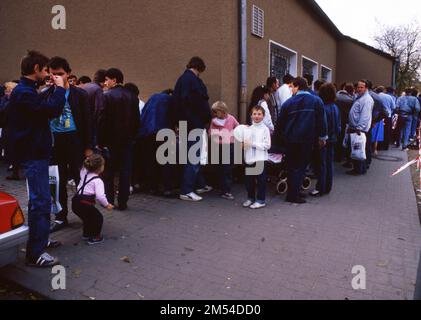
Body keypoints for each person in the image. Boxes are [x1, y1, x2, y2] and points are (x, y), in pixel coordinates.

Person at [7, 50, 66, 267]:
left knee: (40, 200)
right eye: (45, 70)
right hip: (34, 155)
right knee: (40, 202)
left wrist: (50, 88)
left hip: (36, 153)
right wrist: (59, 89)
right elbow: (49, 110)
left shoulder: (26, 91)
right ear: (36, 70)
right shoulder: (24, 92)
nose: (48, 74)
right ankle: (35, 253)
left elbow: (38, 106)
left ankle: (41, 239)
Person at [47, 57, 93, 233]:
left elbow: (88, 121)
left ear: (68, 74)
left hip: (75, 140)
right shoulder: (47, 93)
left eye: (60, 74)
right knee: (57, 181)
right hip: (56, 141)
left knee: (81, 179)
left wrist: (88, 145)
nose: (56, 77)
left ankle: (86, 213)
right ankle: (60, 216)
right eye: (53, 74)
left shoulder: (80, 94)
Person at [275, 77, 327, 204]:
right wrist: (322, 137)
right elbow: (322, 121)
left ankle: (294, 192)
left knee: (293, 166)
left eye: (292, 87)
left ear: (297, 87)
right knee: (301, 167)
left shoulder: (288, 103)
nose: (291, 89)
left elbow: (280, 124)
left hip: (291, 140)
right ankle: (294, 194)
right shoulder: (316, 101)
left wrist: (279, 140)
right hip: (307, 140)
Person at [97, 68, 141, 210]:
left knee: (108, 171)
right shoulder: (132, 96)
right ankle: (123, 201)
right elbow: (136, 120)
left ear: (114, 80)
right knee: (125, 171)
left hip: (110, 141)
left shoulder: (107, 96)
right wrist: (133, 137)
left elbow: (102, 121)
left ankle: (109, 200)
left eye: (107, 79)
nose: (105, 83)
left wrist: (100, 141)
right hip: (127, 141)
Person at [173, 57, 213, 202]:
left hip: (183, 124)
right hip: (193, 124)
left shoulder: (181, 80)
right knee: (193, 158)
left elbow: (177, 103)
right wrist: (205, 119)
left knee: (189, 156)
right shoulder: (194, 81)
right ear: (199, 68)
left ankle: (198, 184)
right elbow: (199, 103)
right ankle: (187, 190)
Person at [137, 88, 175, 195]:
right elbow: (174, 116)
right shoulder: (170, 100)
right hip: (165, 132)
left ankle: (152, 187)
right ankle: (167, 188)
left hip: (148, 133)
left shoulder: (152, 98)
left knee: (151, 161)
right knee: (166, 161)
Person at [72, 154, 114, 245]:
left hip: (75, 202)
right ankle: (95, 237)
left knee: (87, 218)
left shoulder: (83, 172)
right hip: (85, 203)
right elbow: (100, 196)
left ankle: (86, 234)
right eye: (103, 165)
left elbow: (84, 165)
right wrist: (107, 204)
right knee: (98, 218)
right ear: (100, 168)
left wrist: (88, 158)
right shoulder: (98, 181)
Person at [311, 83, 340, 197]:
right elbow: (338, 125)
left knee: (321, 164)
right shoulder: (335, 107)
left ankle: (320, 188)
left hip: (323, 140)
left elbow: (322, 126)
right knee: (329, 163)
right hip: (333, 139)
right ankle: (327, 186)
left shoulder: (323, 107)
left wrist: (320, 138)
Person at [242, 105, 271, 209]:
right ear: (251, 115)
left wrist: (253, 143)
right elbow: (245, 144)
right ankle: (250, 198)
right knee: (249, 181)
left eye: (259, 114)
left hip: (260, 159)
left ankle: (261, 200)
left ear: (263, 116)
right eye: (254, 114)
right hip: (249, 159)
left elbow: (267, 145)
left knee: (261, 181)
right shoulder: (248, 129)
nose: (257, 116)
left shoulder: (265, 129)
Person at [209, 101, 239, 200]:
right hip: (217, 146)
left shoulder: (231, 118)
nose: (214, 113)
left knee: (227, 169)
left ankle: (226, 191)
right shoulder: (214, 121)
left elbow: (238, 127)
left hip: (228, 146)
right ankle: (221, 187)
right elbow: (210, 134)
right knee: (219, 167)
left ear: (222, 111)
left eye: (215, 111)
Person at [346, 80, 374, 176]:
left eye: (361, 87)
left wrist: (360, 128)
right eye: (358, 87)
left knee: (359, 149)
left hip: (359, 129)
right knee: (357, 149)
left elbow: (365, 116)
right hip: (355, 127)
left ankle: (359, 170)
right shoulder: (360, 97)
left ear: (366, 88)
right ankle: (358, 168)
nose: (359, 89)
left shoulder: (366, 99)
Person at [79, 69, 106, 147]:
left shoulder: (85, 86)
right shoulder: (98, 89)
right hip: (91, 127)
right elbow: (99, 110)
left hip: (80, 124)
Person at [335, 83, 354, 164]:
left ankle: (336, 156)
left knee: (336, 138)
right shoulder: (351, 100)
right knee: (343, 139)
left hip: (336, 119)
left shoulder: (335, 96)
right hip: (345, 121)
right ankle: (341, 156)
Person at [376, 86, 396, 150]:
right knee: (387, 131)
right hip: (387, 116)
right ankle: (385, 146)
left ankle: (377, 145)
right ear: (384, 90)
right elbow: (393, 107)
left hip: (377, 116)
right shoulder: (389, 97)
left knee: (378, 131)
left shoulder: (376, 96)